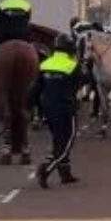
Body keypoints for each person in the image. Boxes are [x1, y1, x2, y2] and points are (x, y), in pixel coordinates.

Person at [29, 33, 86, 189]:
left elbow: (35, 89)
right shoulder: (72, 65)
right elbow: (83, 82)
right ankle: (46, 168)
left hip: (48, 108)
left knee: (58, 139)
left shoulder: (45, 64)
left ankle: (65, 174)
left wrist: (27, 107)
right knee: (68, 141)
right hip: (66, 108)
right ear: (70, 48)